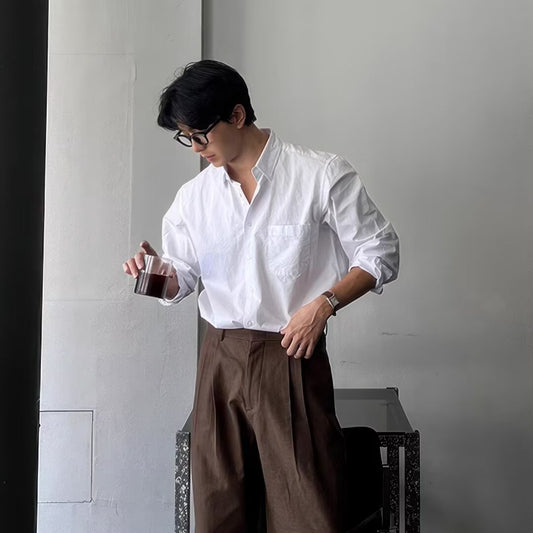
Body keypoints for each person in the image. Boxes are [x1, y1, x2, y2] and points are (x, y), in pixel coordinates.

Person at [123, 59, 399, 533]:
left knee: (307, 510)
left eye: (200, 135)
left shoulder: (319, 174)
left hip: (291, 353)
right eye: (186, 138)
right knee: (220, 509)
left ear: (236, 115)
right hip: (220, 359)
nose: (196, 149)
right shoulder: (194, 197)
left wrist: (324, 305)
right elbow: (182, 278)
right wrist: (155, 275)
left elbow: (381, 252)